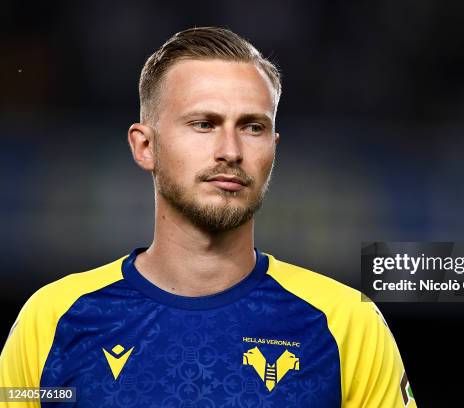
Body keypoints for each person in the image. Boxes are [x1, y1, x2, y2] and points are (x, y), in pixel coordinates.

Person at [0, 27, 417, 407]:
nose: (231, 151)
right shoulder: (54, 319)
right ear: (145, 146)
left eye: (253, 127)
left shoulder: (347, 324)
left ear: (274, 147)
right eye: (204, 124)